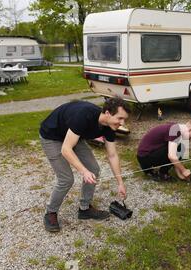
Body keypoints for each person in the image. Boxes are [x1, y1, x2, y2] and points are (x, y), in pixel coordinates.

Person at [39, 97, 131, 232]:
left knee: (94, 169)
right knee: (66, 179)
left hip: (74, 135)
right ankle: (50, 212)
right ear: (108, 113)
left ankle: (85, 209)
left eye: (124, 119)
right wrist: (83, 171)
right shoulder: (84, 115)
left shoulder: (109, 126)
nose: (122, 123)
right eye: (120, 118)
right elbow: (66, 149)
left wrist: (120, 183)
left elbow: (112, 155)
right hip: (52, 136)